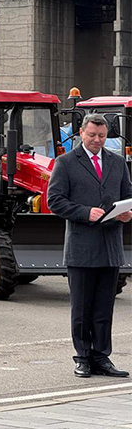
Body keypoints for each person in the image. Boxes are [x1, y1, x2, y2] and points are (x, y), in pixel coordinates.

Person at [48, 113, 132, 379]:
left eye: (102, 136)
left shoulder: (118, 163)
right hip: (81, 247)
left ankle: (101, 357)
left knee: (104, 307)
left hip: (110, 246)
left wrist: (127, 212)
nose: (97, 140)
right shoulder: (66, 163)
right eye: (92, 135)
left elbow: (128, 194)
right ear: (82, 133)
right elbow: (55, 200)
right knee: (82, 308)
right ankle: (82, 357)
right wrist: (85, 213)